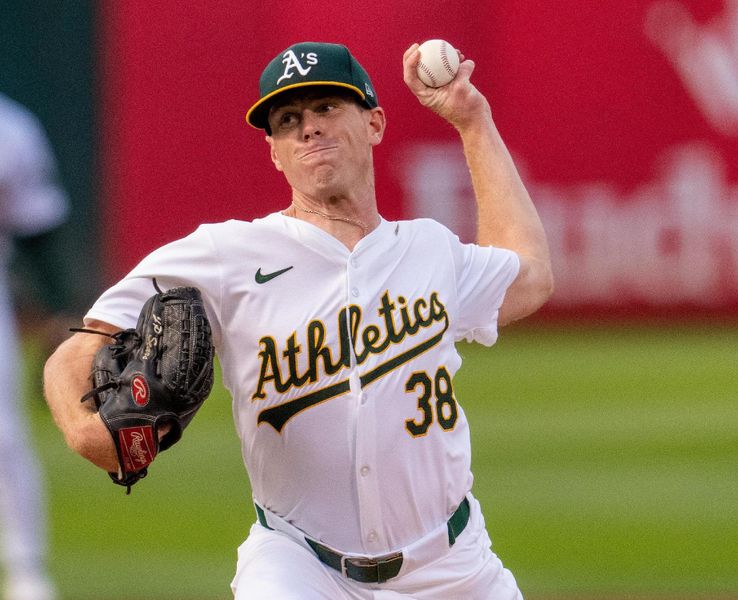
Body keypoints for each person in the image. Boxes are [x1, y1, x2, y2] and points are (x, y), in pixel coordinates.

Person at [43, 41, 553, 599]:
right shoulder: (223, 253)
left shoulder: (430, 249)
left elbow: (529, 278)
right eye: (288, 120)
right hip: (299, 565)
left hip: (453, 566)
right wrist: (84, 429)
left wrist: (473, 120)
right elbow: (80, 348)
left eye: (327, 108)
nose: (308, 129)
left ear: (375, 123)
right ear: (274, 153)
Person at [0, 92, 67, 600]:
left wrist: (55, 312)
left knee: (5, 434)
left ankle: (25, 569)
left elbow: (37, 225)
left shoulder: (11, 127)